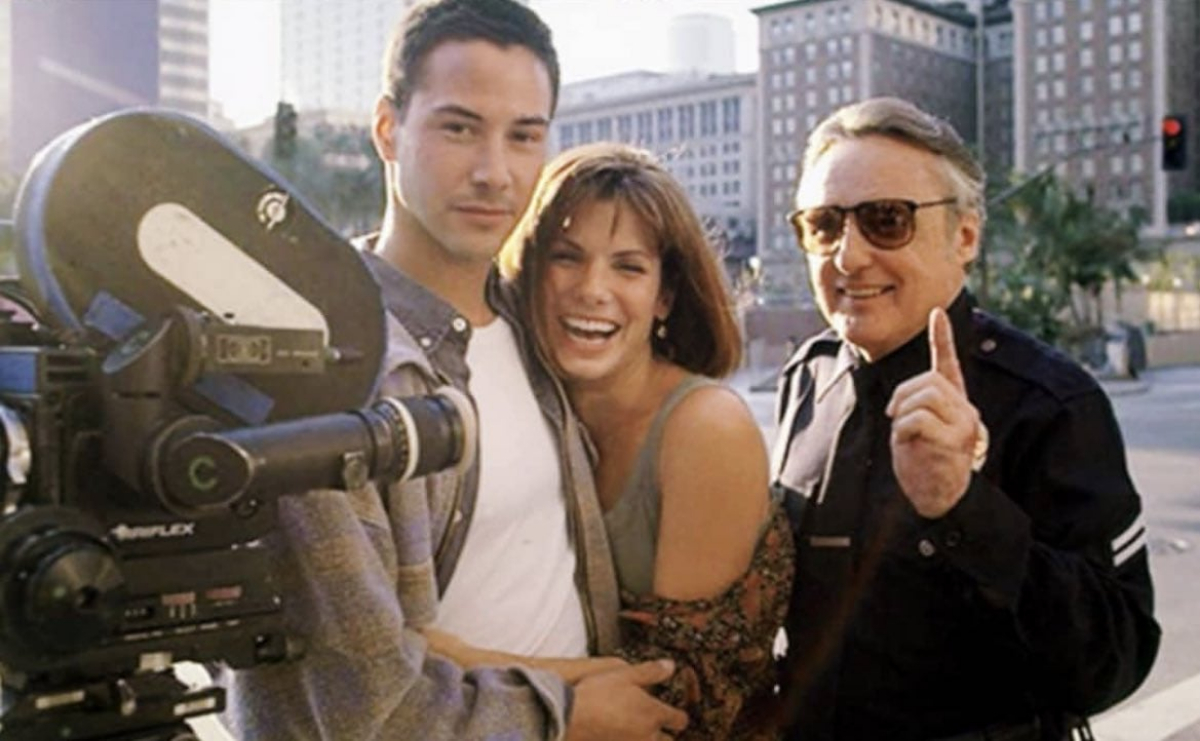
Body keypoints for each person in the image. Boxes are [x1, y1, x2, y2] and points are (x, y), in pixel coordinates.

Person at [220, 2, 688, 739]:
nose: (494, 172)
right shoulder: (319, 370)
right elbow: (361, 706)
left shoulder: (536, 320)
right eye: (458, 127)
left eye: (523, 136)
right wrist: (566, 712)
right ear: (387, 130)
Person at [771, 97, 1160, 741]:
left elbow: (1115, 660)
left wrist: (963, 509)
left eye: (886, 221)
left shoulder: (1050, 402)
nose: (848, 256)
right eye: (823, 225)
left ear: (965, 236)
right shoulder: (808, 378)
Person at [426, 143, 794, 740]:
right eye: (567, 258)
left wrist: (441, 658)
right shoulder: (530, 403)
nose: (593, 289)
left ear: (664, 297)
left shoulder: (705, 428)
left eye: (628, 267)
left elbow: (668, 689)